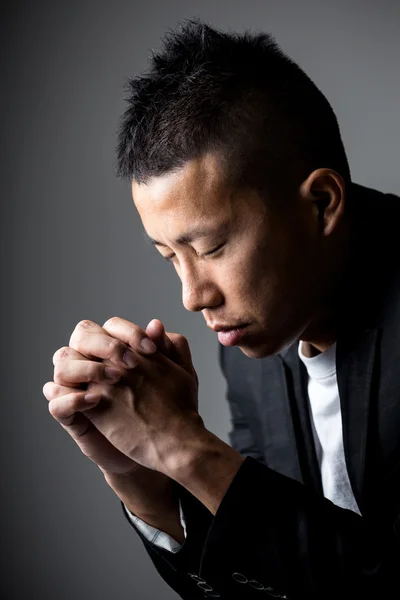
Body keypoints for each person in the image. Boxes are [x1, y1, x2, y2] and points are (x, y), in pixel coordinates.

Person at [43, 18, 400, 600]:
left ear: (321, 203)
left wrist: (185, 446)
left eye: (210, 248)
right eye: (168, 257)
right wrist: (145, 479)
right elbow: (280, 582)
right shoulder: (253, 347)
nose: (192, 297)